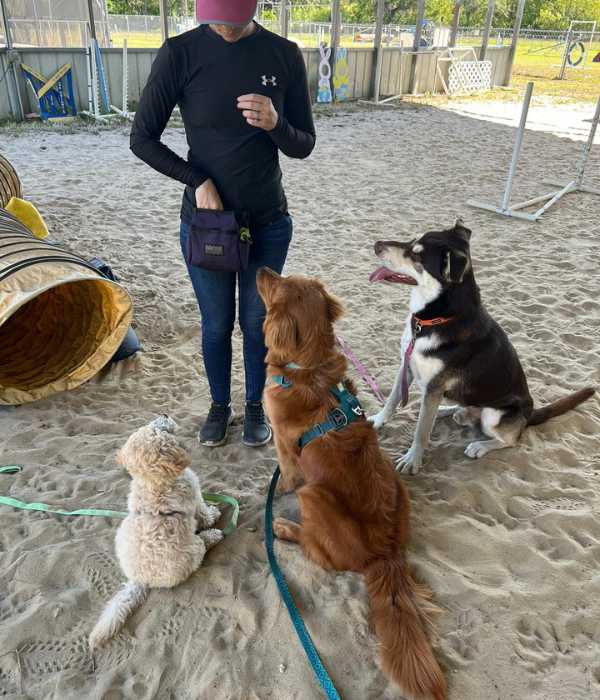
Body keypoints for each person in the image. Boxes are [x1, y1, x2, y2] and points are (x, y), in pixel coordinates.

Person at [130, 0, 315, 447]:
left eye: (233, 20)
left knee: (256, 324)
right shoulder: (179, 52)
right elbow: (142, 139)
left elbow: (304, 145)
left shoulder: (283, 53)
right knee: (216, 325)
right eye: (215, 20)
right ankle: (219, 406)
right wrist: (197, 181)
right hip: (208, 225)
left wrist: (275, 123)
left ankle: (254, 406)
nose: (225, 30)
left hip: (268, 221)